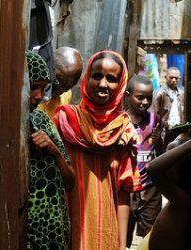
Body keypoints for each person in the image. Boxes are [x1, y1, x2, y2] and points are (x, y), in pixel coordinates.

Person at [53, 50, 142, 250]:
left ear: (120, 85)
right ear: (86, 79)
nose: (103, 84)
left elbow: (122, 194)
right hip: (65, 232)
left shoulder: (124, 131)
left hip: (105, 235)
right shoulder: (64, 121)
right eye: (97, 76)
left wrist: (121, 246)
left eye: (111, 79)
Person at [25, 50, 76, 249]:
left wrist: (54, 151)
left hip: (53, 233)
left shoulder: (42, 121)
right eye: (33, 86)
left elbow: (70, 183)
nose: (39, 96)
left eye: (44, 88)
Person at [124, 75, 163, 248]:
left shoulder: (155, 120)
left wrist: (159, 140)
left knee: (151, 237)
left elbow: (160, 155)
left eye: (149, 97)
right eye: (140, 97)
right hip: (126, 189)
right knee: (122, 238)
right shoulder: (119, 121)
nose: (145, 102)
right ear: (127, 96)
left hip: (150, 189)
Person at [37, 47, 83, 118]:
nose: (61, 91)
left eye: (67, 87)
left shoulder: (66, 95)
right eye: (58, 81)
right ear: (50, 68)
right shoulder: (34, 93)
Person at [152, 66, 185, 148]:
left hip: (178, 129)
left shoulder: (182, 93)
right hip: (165, 130)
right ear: (166, 77)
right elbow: (154, 113)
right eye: (171, 77)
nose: (174, 80)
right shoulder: (159, 93)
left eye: (176, 78)